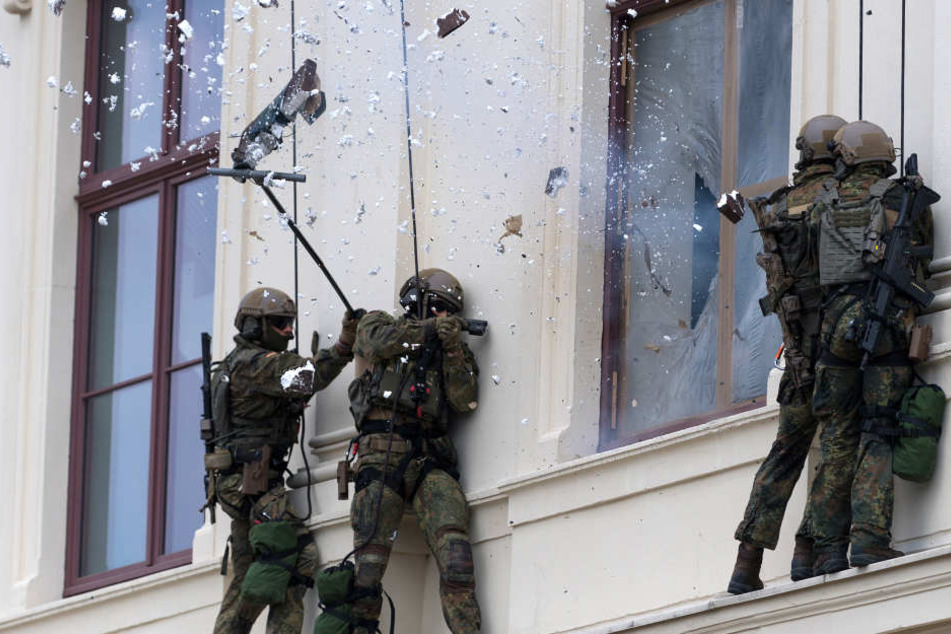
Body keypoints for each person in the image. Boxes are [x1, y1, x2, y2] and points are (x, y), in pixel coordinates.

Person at [807, 120, 934, 574]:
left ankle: (824, 548)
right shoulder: (901, 198)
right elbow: (921, 259)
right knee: (878, 431)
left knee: (838, 436)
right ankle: (869, 540)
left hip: (834, 327)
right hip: (882, 326)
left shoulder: (823, 203)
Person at [728, 115, 847, 594]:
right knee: (839, 441)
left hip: (795, 347)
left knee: (784, 453)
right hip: (839, 344)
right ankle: (808, 551)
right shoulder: (838, 200)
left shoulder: (777, 206)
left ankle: (745, 563)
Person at [211, 287, 361, 634]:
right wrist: (343, 345)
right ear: (252, 327)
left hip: (247, 479)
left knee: (251, 572)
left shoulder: (245, 365)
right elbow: (309, 376)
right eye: (280, 324)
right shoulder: (252, 363)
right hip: (252, 478)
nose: (289, 331)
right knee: (298, 555)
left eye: (290, 323)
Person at [346, 268, 481, 634]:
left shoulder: (452, 351)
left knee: (457, 558)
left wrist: (451, 347)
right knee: (368, 568)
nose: (444, 317)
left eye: (449, 312)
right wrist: (426, 332)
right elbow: (372, 342)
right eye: (438, 308)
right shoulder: (381, 324)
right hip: (380, 453)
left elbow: (464, 399)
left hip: (429, 460)